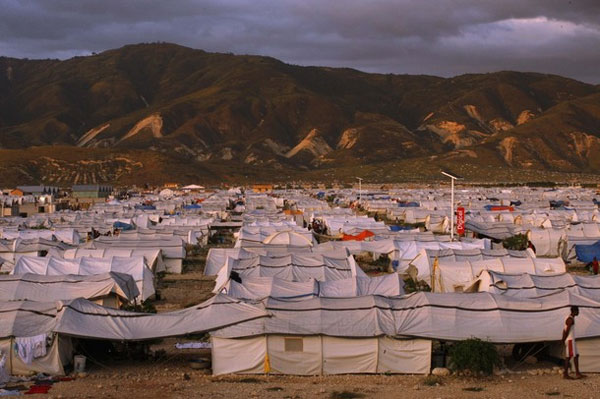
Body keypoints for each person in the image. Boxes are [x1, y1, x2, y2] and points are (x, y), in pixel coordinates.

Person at [562, 306, 585, 379]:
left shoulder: (570, 318)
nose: (578, 312)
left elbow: (564, 330)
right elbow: (566, 331)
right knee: (568, 357)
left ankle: (577, 373)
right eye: (577, 311)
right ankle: (565, 374)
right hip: (570, 340)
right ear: (574, 311)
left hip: (571, 340)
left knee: (576, 355)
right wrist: (563, 340)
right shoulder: (570, 319)